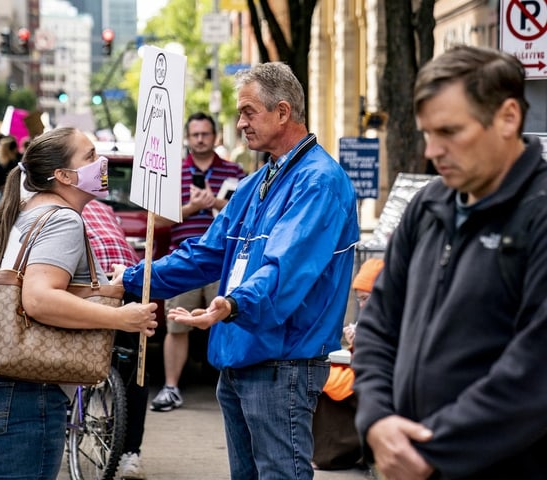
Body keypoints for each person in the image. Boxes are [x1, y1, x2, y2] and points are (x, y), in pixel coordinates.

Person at [114, 62, 359, 479]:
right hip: (240, 358)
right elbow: (205, 254)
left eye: (248, 111)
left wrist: (230, 304)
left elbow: (285, 268)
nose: (240, 122)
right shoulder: (257, 182)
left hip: (283, 361)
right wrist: (131, 280)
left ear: (282, 112)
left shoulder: (318, 181)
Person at [352, 45, 547, 480]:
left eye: (450, 131)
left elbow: (533, 372)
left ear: (508, 117)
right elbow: (379, 323)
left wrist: (433, 449)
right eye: (426, 133)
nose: (432, 150)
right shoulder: (428, 205)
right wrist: (378, 421)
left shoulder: (539, 213)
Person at [0, 127, 158, 480]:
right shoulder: (62, 219)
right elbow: (39, 298)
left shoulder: (15, 213)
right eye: (89, 156)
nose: (100, 163)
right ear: (64, 176)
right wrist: (121, 318)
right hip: (17, 386)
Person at [150, 111, 245, 412]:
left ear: (215, 136)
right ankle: (170, 388)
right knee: (177, 325)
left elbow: (249, 215)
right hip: (183, 260)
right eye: (195, 135)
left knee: (230, 324)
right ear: (188, 138)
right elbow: (155, 220)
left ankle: (234, 391)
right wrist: (191, 208)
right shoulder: (172, 174)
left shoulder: (235, 172)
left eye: (206, 134)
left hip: (224, 261)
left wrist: (217, 203)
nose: (201, 139)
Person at [81, 199, 148, 479]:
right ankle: (130, 453)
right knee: (133, 364)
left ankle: (67, 419)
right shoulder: (102, 206)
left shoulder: (52, 201)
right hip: (128, 274)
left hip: (92, 279)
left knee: (71, 353)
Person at [312, 257, 384, 471]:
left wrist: (359, 343)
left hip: (373, 377)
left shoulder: (394, 314)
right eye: (360, 299)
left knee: (330, 389)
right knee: (324, 382)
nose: (362, 305)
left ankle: (330, 455)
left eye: (366, 298)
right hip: (364, 370)